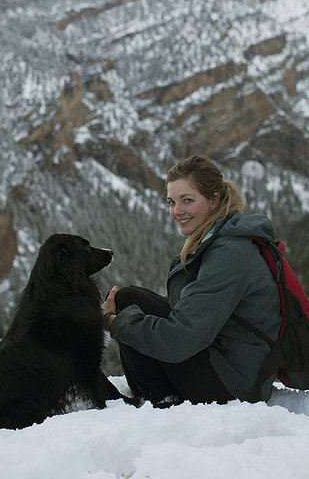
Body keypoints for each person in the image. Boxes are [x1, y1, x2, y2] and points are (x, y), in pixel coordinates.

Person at [102, 154, 282, 406]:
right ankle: (161, 395)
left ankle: (162, 402)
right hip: (228, 362)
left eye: (187, 200)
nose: (177, 211)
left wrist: (114, 323)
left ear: (213, 201)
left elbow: (179, 339)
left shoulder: (229, 254)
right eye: (171, 202)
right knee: (130, 299)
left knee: (127, 303)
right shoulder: (220, 240)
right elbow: (190, 314)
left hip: (234, 385)